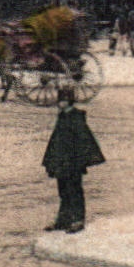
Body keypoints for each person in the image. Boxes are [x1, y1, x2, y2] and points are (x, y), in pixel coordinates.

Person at [42, 87, 105, 233]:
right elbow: (56, 141)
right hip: (62, 163)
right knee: (63, 191)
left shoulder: (75, 117)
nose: (60, 103)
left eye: (63, 100)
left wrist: (79, 161)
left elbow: (83, 141)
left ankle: (78, 220)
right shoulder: (63, 116)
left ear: (70, 101)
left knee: (74, 191)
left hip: (73, 163)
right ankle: (63, 220)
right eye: (59, 100)